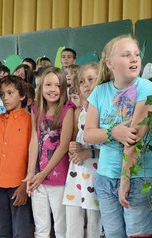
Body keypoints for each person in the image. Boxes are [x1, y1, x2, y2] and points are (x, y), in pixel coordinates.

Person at [83, 35, 152, 237]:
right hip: (106, 178)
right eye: (126, 55)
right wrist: (112, 132)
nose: (134, 59)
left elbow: (135, 138)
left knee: (138, 235)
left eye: (136, 54)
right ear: (110, 63)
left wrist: (125, 179)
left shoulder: (146, 88)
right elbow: (88, 133)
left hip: (138, 178)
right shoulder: (99, 92)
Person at [26, 67, 75, 238]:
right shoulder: (35, 108)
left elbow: (63, 146)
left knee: (61, 228)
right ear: (40, 87)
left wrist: (43, 174)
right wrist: (31, 172)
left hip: (59, 178)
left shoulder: (67, 109)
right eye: (48, 85)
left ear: (63, 88)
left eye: (57, 85)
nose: (52, 89)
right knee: (41, 229)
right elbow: (34, 141)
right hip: (38, 178)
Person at [0, 75, 33, 237]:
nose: (6, 98)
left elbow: (32, 155)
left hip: (19, 184)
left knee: (20, 231)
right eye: (3, 94)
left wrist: (25, 185)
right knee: (1, 231)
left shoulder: (30, 120)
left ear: (22, 96)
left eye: (10, 93)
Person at [63, 63, 101, 238]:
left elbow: (114, 147)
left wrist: (89, 153)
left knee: (94, 222)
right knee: (73, 219)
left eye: (91, 79)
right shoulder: (82, 111)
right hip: (77, 172)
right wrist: (74, 147)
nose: (86, 85)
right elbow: (79, 140)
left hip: (96, 173)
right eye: (82, 81)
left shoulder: (105, 110)